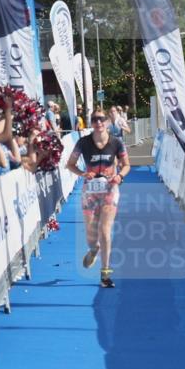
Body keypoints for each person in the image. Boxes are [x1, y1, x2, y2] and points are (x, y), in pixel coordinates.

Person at [65, 109, 131, 288]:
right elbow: (69, 164)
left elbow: (126, 165)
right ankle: (94, 249)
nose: (98, 122)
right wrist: (82, 173)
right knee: (91, 235)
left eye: (101, 119)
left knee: (105, 231)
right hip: (90, 192)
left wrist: (119, 177)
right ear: (91, 123)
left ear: (108, 122)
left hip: (110, 190)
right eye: (94, 120)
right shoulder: (83, 142)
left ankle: (105, 275)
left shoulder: (116, 142)